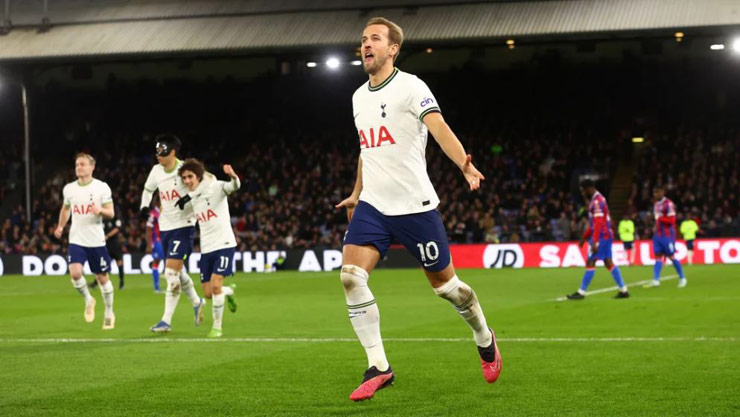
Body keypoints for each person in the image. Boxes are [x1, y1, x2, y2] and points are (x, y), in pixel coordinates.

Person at [335, 17, 500, 402]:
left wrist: (463, 164)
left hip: (414, 207)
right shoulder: (358, 97)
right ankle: (379, 365)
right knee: (350, 277)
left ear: (393, 48)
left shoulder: (411, 87)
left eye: (375, 38)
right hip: (373, 205)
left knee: (448, 289)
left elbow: (439, 127)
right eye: (363, 39)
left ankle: (484, 336)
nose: (366, 44)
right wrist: (357, 193)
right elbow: (366, 150)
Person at [140, 134, 206, 333]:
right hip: (166, 228)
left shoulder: (186, 170)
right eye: (158, 152)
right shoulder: (156, 171)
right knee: (178, 272)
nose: (159, 156)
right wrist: (144, 206)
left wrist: (188, 198)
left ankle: (165, 321)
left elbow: (205, 185)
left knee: (170, 273)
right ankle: (197, 302)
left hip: (184, 226)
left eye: (163, 152)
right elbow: (147, 189)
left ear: (173, 152)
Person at [176, 159, 239, 338]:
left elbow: (234, 186)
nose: (187, 181)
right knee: (209, 293)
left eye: (190, 177)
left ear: (199, 176)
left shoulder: (217, 187)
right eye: (184, 178)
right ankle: (229, 292)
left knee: (216, 283)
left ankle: (217, 327)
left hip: (225, 244)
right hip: (206, 248)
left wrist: (233, 176)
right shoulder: (193, 198)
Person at [53, 153, 116, 330]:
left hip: (96, 240)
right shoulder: (69, 189)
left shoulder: (102, 187)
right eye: (76, 165)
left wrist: (100, 210)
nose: (78, 167)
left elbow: (111, 213)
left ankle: (109, 312)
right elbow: (65, 210)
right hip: (76, 238)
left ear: (92, 167)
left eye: (82, 164)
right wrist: (60, 226)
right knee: (75, 273)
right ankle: (89, 300)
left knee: (102, 278)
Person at [566, 179, 629, 300]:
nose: (583, 193)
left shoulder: (597, 201)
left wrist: (594, 241)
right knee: (608, 262)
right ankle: (623, 290)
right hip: (604, 235)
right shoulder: (598, 200)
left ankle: (581, 292)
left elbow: (599, 222)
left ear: (589, 188)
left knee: (591, 261)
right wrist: (584, 237)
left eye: (583, 191)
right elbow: (594, 223)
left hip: (601, 236)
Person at [650, 185, 686, 287]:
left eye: (658, 192)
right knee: (657, 256)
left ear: (662, 192)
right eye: (654, 193)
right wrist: (655, 227)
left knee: (671, 256)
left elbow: (672, 220)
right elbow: (657, 219)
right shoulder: (656, 204)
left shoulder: (668, 204)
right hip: (658, 234)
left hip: (667, 234)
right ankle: (656, 280)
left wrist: (660, 219)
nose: (656, 195)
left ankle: (682, 278)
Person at [89, 215, 125, 290]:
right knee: (103, 264)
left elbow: (117, 228)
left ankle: (122, 283)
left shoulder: (115, 217)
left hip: (115, 244)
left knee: (119, 262)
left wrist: (107, 236)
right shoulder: (101, 219)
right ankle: (95, 283)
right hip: (105, 245)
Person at [146, 201, 164, 293]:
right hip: (157, 241)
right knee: (156, 262)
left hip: (165, 240)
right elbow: (148, 229)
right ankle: (156, 287)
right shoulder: (153, 214)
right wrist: (149, 245)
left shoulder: (164, 212)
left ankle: (173, 286)